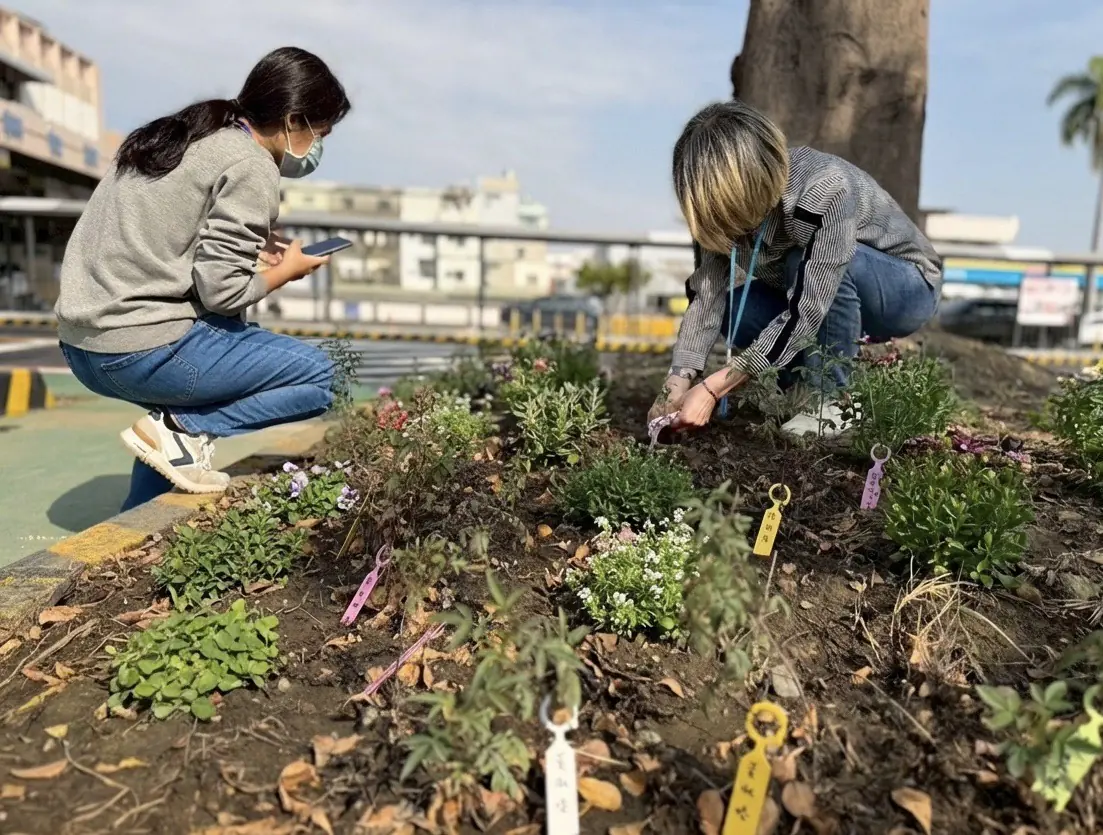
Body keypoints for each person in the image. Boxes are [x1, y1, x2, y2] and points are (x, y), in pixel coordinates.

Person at [55, 46, 351, 511]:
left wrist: (253, 250)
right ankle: (182, 430)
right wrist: (285, 272)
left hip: (82, 347)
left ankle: (145, 498)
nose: (318, 147)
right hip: (141, 349)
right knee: (326, 378)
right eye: (322, 132)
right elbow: (221, 291)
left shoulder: (183, 135)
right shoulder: (250, 163)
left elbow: (163, 237)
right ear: (295, 120)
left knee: (167, 425)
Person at [649, 100, 943, 437]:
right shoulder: (717, 216)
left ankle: (834, 399)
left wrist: (717, 386)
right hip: (811, 288)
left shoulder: (824, 188)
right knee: (733, 309)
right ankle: (801, 391)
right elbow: (706, 299)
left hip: (906, 289)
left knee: (801, 263)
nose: (726, 227)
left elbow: (811, 303)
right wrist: (675, 383)